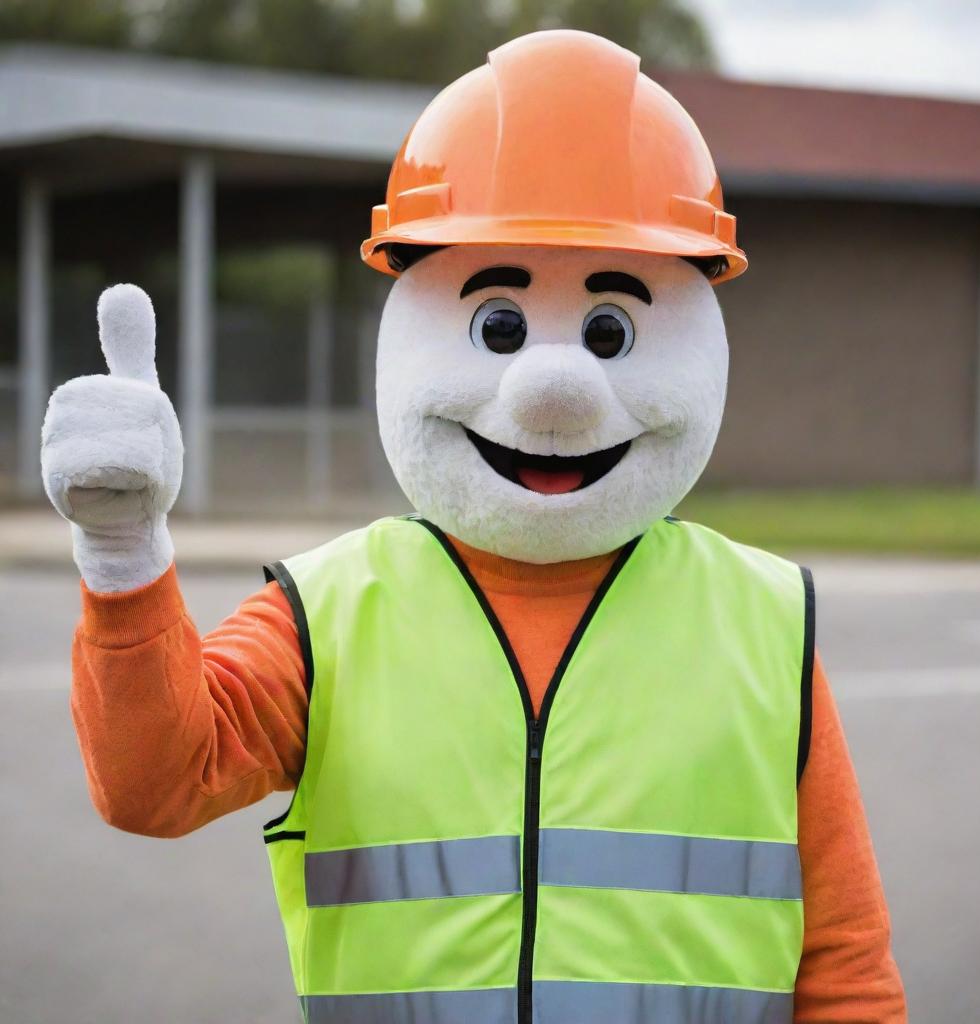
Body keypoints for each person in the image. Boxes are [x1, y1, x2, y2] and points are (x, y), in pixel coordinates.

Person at [42, 30, 905, 1024]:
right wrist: (123, 560)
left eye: (610, 332)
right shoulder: (325, 614)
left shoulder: (764, 621)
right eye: (498, 325)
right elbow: (151, 786)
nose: (550, 390)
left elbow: (844, 963)